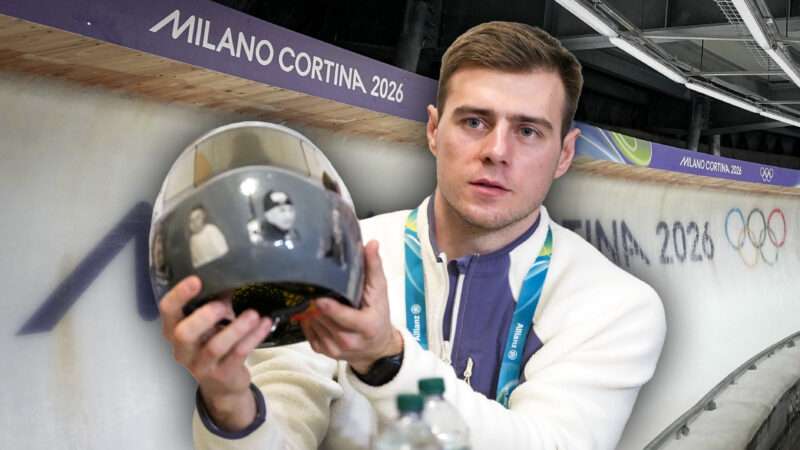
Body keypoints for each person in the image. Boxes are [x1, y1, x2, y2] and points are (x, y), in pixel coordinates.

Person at [158, 22, 666, 450]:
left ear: (564, 154)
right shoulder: (338, 256)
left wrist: (387, 358)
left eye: (528, 131)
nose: (496, 151)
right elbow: (282, 429)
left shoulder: (615, 306)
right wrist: (231, 404)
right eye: (474, 121)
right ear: (433, 130)